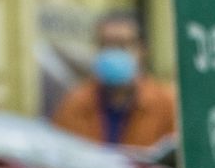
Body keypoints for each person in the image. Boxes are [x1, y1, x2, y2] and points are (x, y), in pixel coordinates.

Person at [48, 9, 178, 149]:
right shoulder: (75, 104)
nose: (113, 52)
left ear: (142, 50)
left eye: (122, 45)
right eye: (106, 45)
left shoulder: (167, 105)